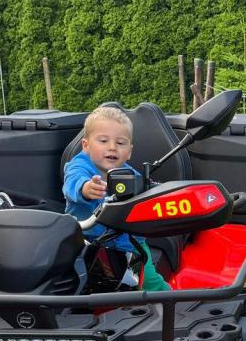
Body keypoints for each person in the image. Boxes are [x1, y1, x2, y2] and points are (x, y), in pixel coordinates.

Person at [63, 103, 170, 291]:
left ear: (129, 151)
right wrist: (85, 188)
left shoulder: (132, 175)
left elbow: (149, 196)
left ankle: (169, 302)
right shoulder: (79, 167)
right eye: (103, 141)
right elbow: (73, 182)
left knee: (150, 282)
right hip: (87, 244)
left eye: (120, 143)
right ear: (86, 145)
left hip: (130, 245)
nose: (112, 147)